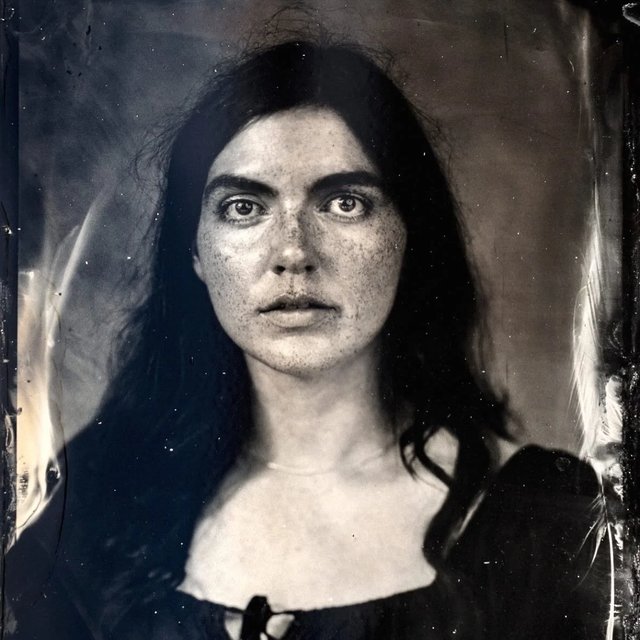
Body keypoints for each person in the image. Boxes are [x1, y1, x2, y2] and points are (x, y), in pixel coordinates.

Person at [5, 40, 613, 640]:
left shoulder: (549, 521)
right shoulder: (89, 504)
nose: (293, 252)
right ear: (195, 252)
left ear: (410, 236)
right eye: (244, 207)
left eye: (344, 203)